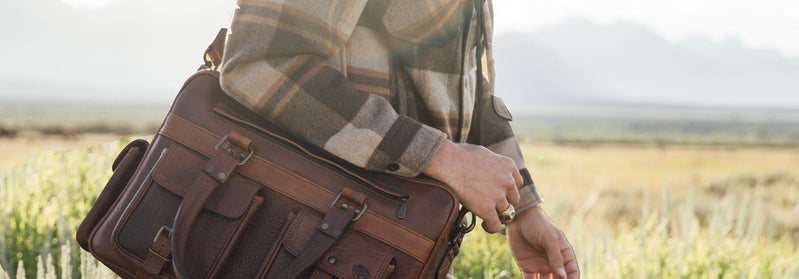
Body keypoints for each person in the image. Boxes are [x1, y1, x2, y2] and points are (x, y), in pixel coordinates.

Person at [218, 0, 580, 278]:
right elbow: (259, 63)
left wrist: (521, 208)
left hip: (401, 253)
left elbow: (454, 81)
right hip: (308, 243)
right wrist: (441, 156)